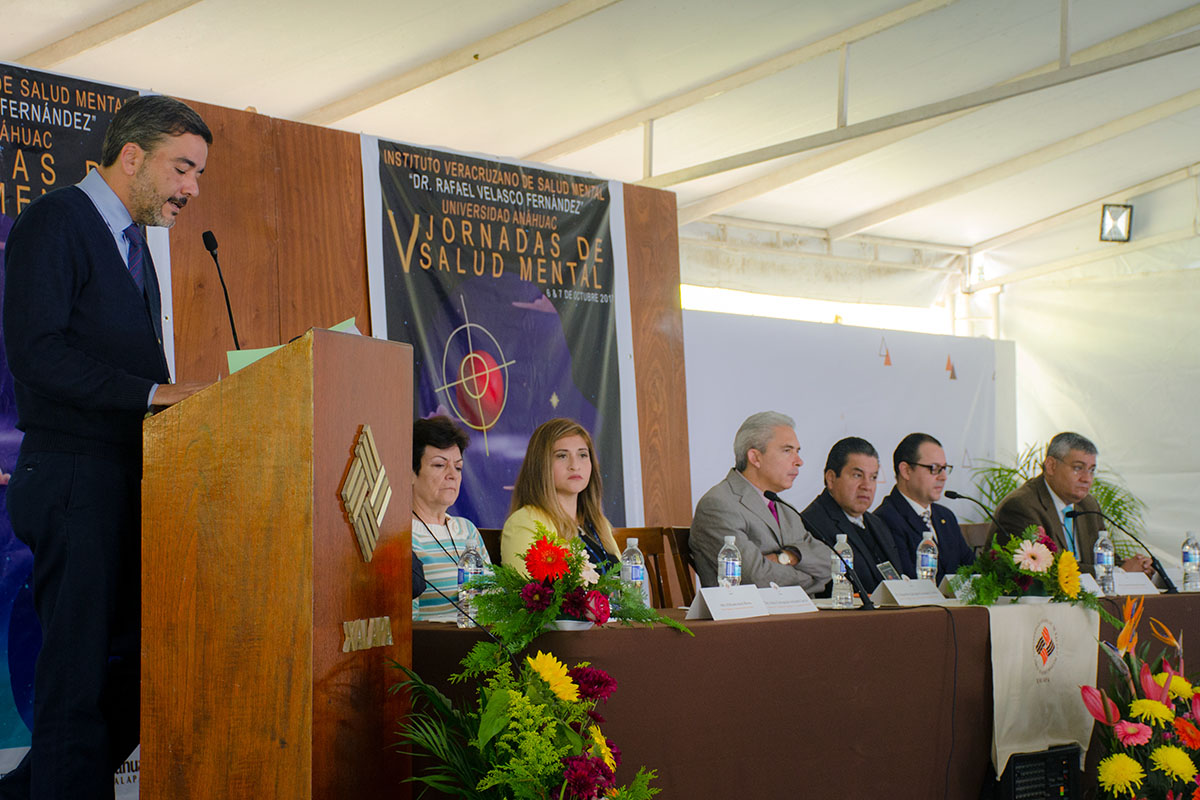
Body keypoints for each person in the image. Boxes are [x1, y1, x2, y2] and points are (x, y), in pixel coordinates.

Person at [1, 95, 212, 799]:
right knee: (77, 684)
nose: (191, 189)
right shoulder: (57, 221)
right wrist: (157, 395)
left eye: (198, 175)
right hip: (72, 479)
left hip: (126, 483)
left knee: (136, 675)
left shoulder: (135, 245)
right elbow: (37, 353)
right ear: (132, 157)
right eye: (183, 169)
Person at [690, 411, 829, 592]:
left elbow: (828, 562)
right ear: (755, 457)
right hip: (747, 617)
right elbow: (754, 577)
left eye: (798, 451)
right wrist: (811, 578)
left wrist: (786, 557)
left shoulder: (785, 509)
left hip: (794, 613)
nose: (799, 461)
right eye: (787, 450)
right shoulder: (718, 505)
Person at [989, 432, 1152, 575]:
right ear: (1051, 466)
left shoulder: (1088, 505)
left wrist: (1135, 567)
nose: (1087, 478)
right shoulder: (1021, 506)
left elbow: (1103, 559)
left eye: (1091, 470)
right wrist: (1119, 572)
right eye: (1078, 468)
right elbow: (1047, 569)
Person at [502, 418, 620, 572]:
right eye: (562, 456)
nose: (575, 466)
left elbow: (626, 585)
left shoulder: (599, 524)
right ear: (541, 465)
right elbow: (528, 594)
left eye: (583, 455)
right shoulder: (524, 522)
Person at [410, 416, 491, 621]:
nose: (452, 475)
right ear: (410, 472)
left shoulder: (467, 530)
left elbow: (493, 599)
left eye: (458, 467)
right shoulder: (403, 534)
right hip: (434, 648)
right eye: (439, 465)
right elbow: (408, 623)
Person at [800, 437, 902, 595]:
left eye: (873, 477)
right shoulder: (812, 524)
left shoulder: (877, 523)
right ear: (831, 478)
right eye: (857, 475)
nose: (867, 486)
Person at [875, 433, 974, 582]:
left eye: (945, 468)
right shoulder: (885, 519)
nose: (943, 477)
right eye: (934, 468)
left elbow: (971, 567)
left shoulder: (945, 517)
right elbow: (907, 579)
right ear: (906, 470)